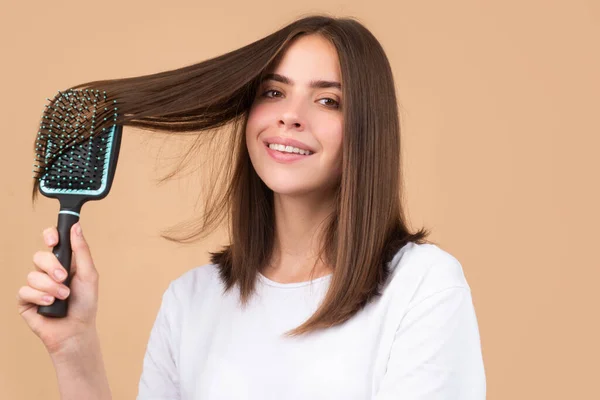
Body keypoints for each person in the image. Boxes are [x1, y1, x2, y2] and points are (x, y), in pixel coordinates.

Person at [17, 15, 486, 399]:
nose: (290, 114)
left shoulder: (422, 287)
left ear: (369, 130)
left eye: (328, 100)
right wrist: (74, 347)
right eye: (274, 92)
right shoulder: (192, 301)